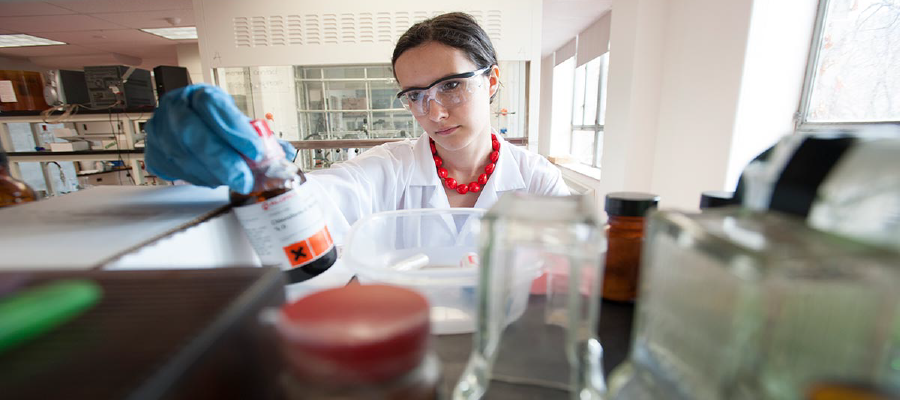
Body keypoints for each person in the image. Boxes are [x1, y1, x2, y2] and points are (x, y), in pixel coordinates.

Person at [145, 12, 569, 244]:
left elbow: (571, 271)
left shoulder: (538, 180)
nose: (434, 112)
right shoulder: (389, 168)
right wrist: (266, 167)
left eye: (452, 86)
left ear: (491, 81)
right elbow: (322, 196)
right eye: (416, 95)